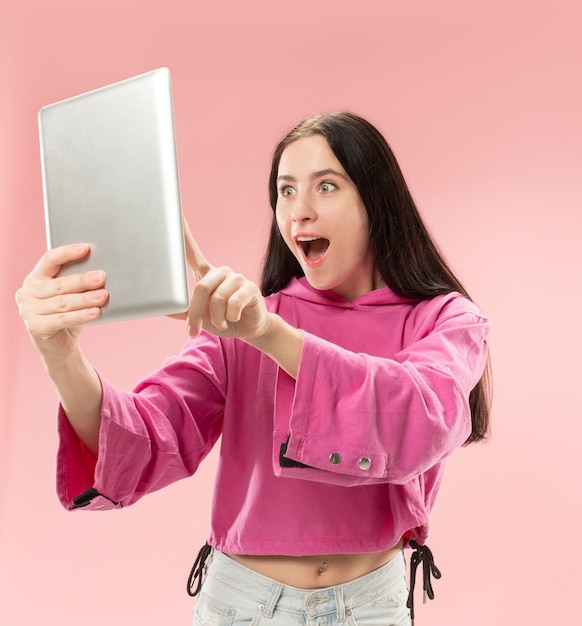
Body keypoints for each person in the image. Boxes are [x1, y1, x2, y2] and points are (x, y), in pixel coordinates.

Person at [16, 112, 491, 625]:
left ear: (376, 201)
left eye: (326, 186)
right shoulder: (244, 324)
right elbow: (142, 443)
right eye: (286, 192)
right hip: (242, 607)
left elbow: (417, 419)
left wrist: (267, 334)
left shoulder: (445, 319)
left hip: (373, 607)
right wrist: (60, 355)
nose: (299, 212)